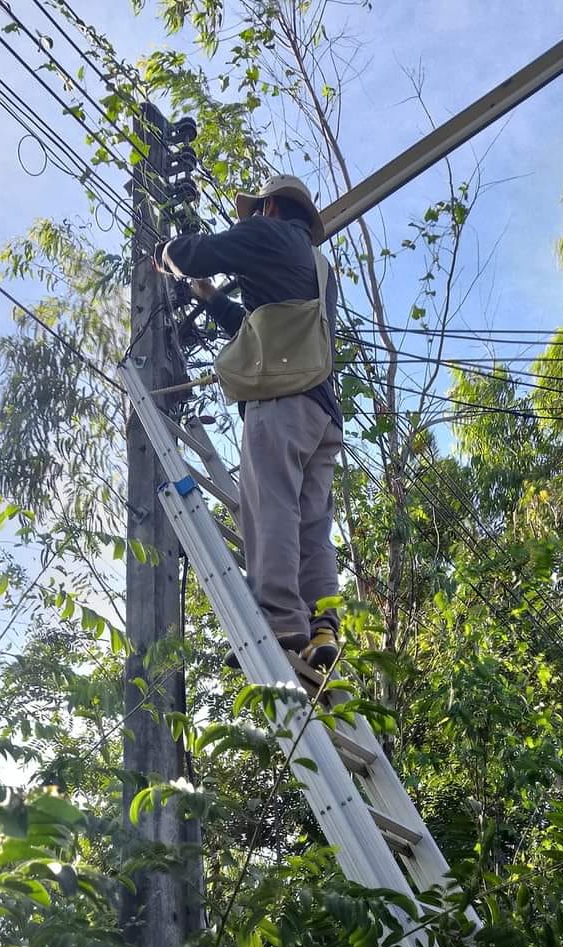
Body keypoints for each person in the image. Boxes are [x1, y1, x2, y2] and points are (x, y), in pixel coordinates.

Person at [157, 175, 341, 670]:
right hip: (322, 411)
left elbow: (197, 252)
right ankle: (322, 624)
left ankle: (281, 619)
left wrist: (168, 251)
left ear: (272, 208)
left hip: (281, 401)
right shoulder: (320, 267)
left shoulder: (267, 234)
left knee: (271, 505)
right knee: (313, 522)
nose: (252, 217)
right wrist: (213, 300)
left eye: (257, 210)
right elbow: (263, 327)